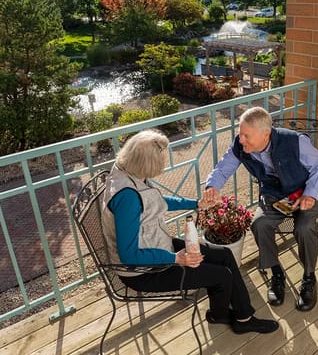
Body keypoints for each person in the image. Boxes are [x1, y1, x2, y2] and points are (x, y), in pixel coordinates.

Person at [101, 129, 279, 334]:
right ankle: (242, 320)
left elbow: (154, 201)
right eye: (160, 163)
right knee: (222, 276)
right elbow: (129, 256)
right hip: (144, 270)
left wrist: (196, 203)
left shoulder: (128, 171)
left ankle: (224, 315)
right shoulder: (127, 198)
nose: (163, 167)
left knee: (224, 256)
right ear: (145, 163)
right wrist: (177, 258)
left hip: (157, 245)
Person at [203, 107, 318, 312]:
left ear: (266, 134)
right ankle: (276, 273)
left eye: (246, 135)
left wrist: (310, 193)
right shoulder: (240, 146)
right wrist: (212, 186)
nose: (241, 140)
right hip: (274, 195)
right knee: (259, 224)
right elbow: (224, 167)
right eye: (240, 133)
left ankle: (309, 277)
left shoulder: (295, 141)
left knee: (304, 228)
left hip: (304, 194)